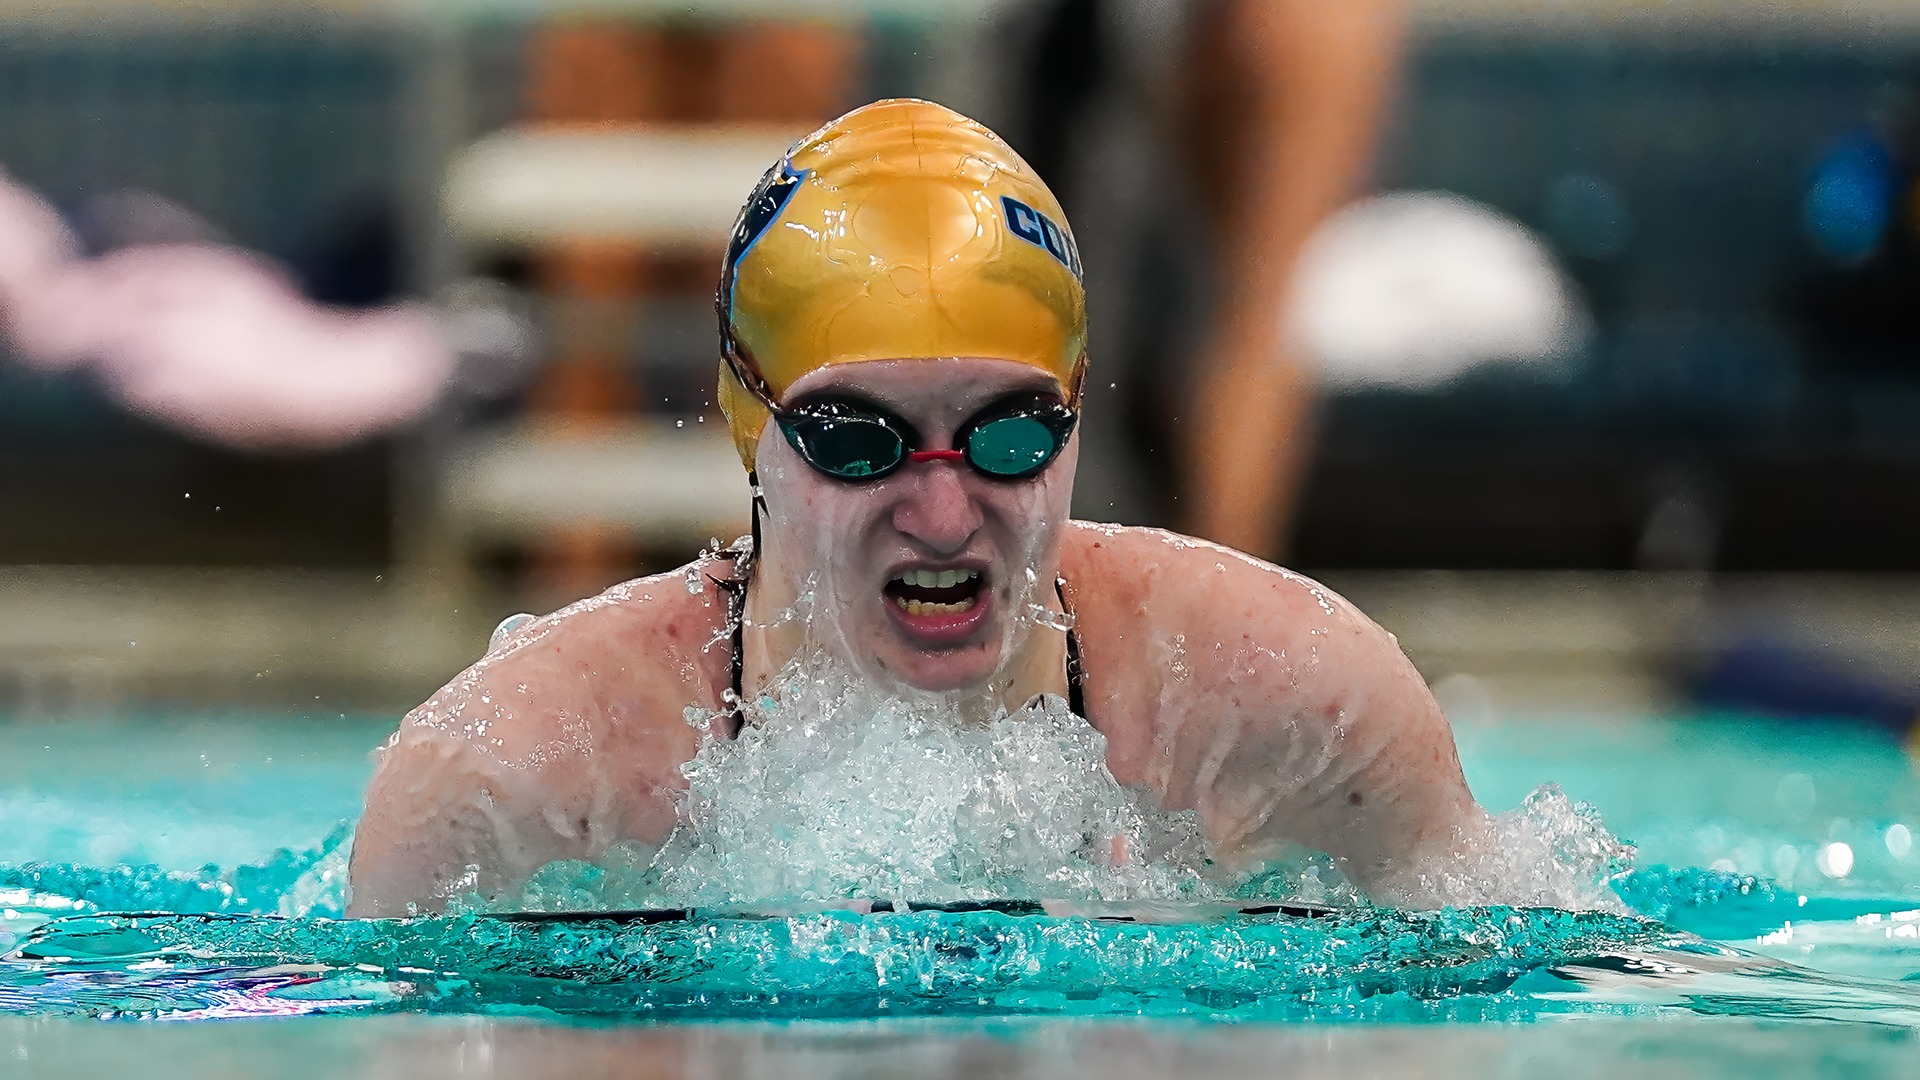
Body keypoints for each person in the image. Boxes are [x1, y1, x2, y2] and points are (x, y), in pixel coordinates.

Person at [347, 99, 1481, 918]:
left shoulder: (1297, 714)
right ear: (753, 421)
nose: (943, 515)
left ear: (1079, 409)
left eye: (1010, 432)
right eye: (856, 438)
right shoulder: (520, 782)